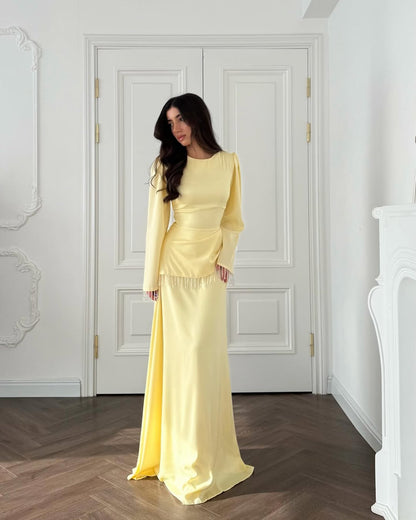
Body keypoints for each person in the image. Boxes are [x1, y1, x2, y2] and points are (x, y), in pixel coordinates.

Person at [127, 93, 254, 505]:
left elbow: (233, 219)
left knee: (205, 359)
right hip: (175, 268)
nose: (177, 128)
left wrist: (226, 257)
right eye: (170, 122)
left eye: (181, 118)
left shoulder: (229, 162)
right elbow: (156, 224)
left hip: (211, 270)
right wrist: (150, 276)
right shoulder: (165, 165)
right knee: (182, 362)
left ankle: (210, 452)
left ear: (198, 118)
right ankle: (181, 454)